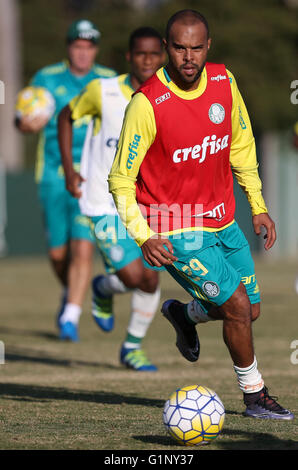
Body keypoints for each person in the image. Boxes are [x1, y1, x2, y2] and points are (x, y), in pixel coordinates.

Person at [108, 10, 294, 418]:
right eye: (179, 48)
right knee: (239, 309)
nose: (187, 57)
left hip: (225, 221)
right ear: (166, 49)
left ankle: (183, 313)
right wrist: (144, 235)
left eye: (196, 48)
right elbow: (121, 179)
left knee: (250, 310)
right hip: (175, 227)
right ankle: (254, 396)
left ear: (208, 47)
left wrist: (258, 207)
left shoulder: (225, 82)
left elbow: (241, 147)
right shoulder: (147, 102)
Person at [57, 27, 165, 371]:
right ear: (129, 57)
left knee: (152, 277)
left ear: (162, 57)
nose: (148, 61)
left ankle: (132, 347)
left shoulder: (168, 96)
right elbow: (65, 116)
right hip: (103, 200)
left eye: (154, 54)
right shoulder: (102, 91)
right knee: (135, 277)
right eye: (141, 54)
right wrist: (70, 170)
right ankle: (103, 287)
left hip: (147, 202)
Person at [16, 20, 117, 342]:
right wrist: (25, 125)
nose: (83, 53)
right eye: (77, 46)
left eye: (89, 47)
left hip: (91, 178)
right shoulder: (47, 78)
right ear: (69, 47)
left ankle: (70, 317)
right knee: (59, 255)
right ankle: (70, 294)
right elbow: (23, 117)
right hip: (52, 177)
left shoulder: (107, 81)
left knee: (83, 250)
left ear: (95, 50)